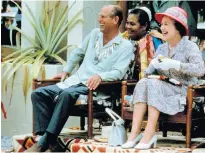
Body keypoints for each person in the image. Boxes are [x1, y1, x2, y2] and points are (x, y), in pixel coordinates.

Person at [25, 5, 133, 152]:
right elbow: (78, 53)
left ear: (115, 20)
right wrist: (66, 71)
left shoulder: (125, 46)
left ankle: (43, 144)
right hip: (75, 81)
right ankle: (50, 142)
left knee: (66, 95)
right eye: (99, 15)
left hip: (95, 88)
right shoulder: (94, 34)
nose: (98, 19)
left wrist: (101, 76)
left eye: (103, 16)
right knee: (38, 94)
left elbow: (119, 72)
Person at [122, 7, 205, 150]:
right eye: (162, 24)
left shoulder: (190, 46)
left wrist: (177, 65)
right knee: (143, 82)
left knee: (153, 84)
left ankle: (149, 133)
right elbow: (148, 76)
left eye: (167, 24)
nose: (162, 27)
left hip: (184, 92)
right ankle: (134, 134)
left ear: (178, 26)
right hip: (162, 89)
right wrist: (152, 66)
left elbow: (200, 70)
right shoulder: (162, 48)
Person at [122, 6, 164, 80]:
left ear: (144, 26)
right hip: (123, 85)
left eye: (132, 24)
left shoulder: (155, 41)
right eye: (127, 23)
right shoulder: (123, 39)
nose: (128, 27)